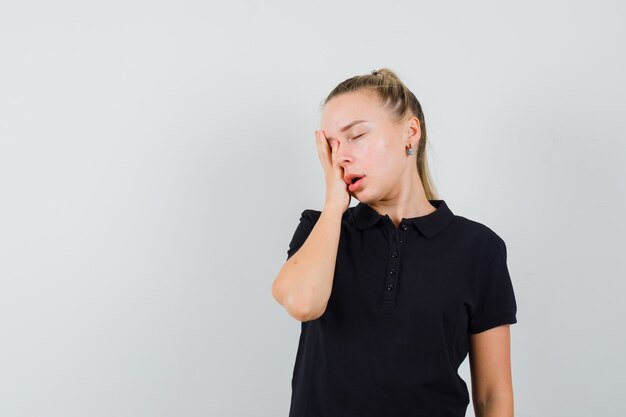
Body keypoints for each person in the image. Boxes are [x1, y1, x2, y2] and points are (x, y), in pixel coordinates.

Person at [271, 68, 518, 417]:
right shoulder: (320, 228)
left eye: (356, 135)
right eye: (332, 146)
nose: (341, 156)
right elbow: (301, 302)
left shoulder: (479, 248)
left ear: (410, 132)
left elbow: (493, 396)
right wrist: (334, 205)